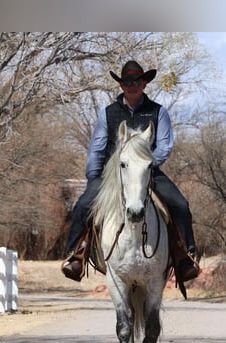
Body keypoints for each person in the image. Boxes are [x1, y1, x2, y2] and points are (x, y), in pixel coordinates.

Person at [61, 60, 200, 283]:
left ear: (144, 83)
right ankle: (75, 255)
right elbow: (97, 148)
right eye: (127, 82)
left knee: (180, 205)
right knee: (83, 206)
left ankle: (186, 257)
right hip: (111, 176)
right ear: (121, 85)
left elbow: (164, 145)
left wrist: (147, 165)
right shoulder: (108, 113)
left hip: (148, 172)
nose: (131, 85)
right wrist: (93, 178)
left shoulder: (158, 112)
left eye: (136, 81)